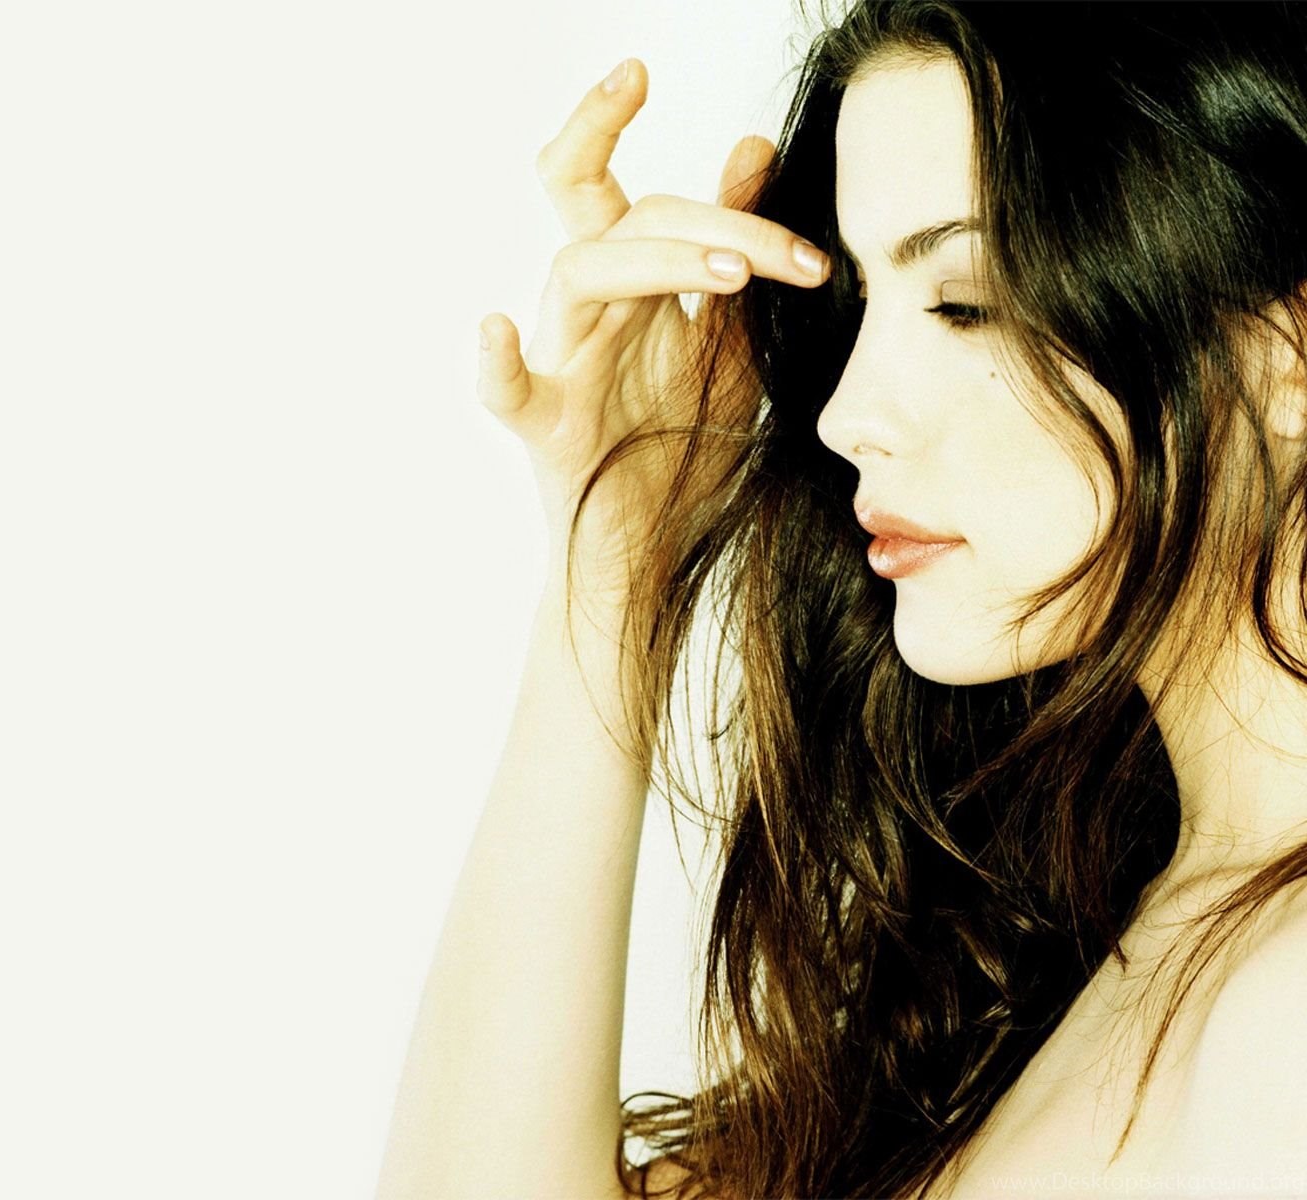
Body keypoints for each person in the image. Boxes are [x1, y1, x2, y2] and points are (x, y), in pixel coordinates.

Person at [377, 2, 1307, 1196]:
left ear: (1288, 353)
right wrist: (614, 554)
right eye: (859, 305)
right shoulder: (1084, 940)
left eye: (965, 302)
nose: (842, 415)